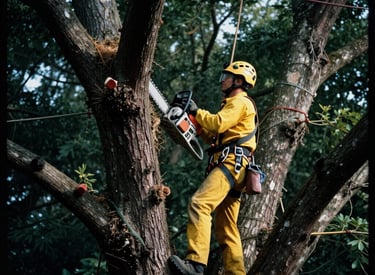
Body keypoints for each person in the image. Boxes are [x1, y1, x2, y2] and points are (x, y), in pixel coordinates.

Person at [168, 61, 258, 275]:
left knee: (200, 204)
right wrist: (197, 125)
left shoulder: (240, 102)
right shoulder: (232, 104)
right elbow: (215, 136)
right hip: (238, 168)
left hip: (231, 163)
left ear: (238, 80)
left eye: (226, 77)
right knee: (226, 228)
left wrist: (197, 111)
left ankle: (196, 265)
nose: (222, 80)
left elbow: (217, 123)